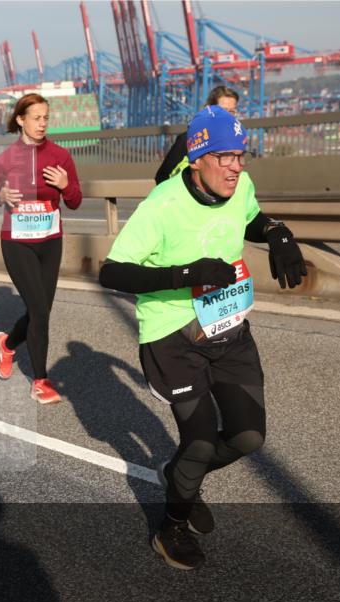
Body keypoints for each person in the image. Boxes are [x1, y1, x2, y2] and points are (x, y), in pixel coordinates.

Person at [100, 106, 308, 570]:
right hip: (172, 335)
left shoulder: (241, 186)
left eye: (241, 155)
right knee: (196, 441)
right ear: (197, 159)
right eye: (225, 157)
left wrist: (276, 233)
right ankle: (170, 525)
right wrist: (186, 274)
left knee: (249, 437)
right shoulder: (162, 206)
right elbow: (111, 271)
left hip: (227, 327)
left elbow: (251, 217)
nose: (237, 166)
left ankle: (180, 478)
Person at [0, 93, 82, 404]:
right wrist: (1, 196)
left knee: (41, 311)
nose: (42, 123)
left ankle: (8, 345)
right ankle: (41, 380)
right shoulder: (6, 160)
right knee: (39, 311)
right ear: (21, 120)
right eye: (36, 118)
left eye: (46, 118)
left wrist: (66, 185)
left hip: (50, 242)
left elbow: (76, 202)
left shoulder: (61, 156)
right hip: (18, 243)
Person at [155, 86, 239, 185]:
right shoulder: (189, 139)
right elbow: (162, 176)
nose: (228, 116)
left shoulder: (235, 141)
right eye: (223, 111)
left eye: (232, 111)